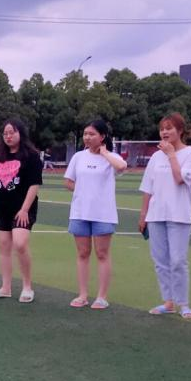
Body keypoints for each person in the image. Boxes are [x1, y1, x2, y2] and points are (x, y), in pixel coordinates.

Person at [138, 113, 191, 320]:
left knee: (178, 260)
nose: (164, 132)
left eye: (169, 128)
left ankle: (184, 303)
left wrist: (172, 154)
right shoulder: (156, 157)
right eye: (162, 129)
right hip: (156, 214)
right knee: (160, 260)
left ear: (180, 130)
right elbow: (148, 188)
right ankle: (168, 301)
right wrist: (143, 215)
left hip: (179, 214)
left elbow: (180, 178)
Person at [64, 120, 128, 309]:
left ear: (102, 136)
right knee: (83, 253)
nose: (87, 137)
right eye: (85, 134)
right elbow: (68, 181)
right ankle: (83, 294)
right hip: (80, 211)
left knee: (102, 254)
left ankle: (101, 296)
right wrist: (82, 190)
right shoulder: (78, 157)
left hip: (103, 213)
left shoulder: (111, 157)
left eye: (92, 134)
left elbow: (121, 167)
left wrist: (105, 153)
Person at [0, 119, 42, 303]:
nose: (8, 136)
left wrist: (24, 210)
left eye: (12, 132)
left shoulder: (31, 156)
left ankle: (27, 287)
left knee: (20, 244)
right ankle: (5, 287)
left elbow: (34, 185)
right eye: (5, 133)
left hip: (22, 208)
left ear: (20, 133)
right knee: (4, 246)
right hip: (1, 207)